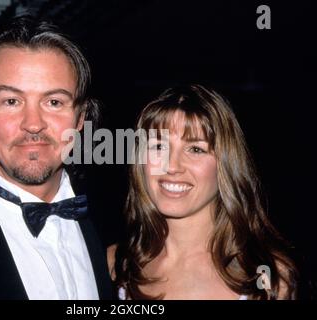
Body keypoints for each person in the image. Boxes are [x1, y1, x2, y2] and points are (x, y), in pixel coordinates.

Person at [0, 14, 113, 299]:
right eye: (11, 101)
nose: (33, 123)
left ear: (81, 119)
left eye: (54, 102)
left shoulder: (118, 233)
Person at [108, 85, 298, 300]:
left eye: (195, 149)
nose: (172, 166)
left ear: (226, 165)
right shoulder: (115, 265)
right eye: (159, 146)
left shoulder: (266, 277)